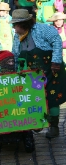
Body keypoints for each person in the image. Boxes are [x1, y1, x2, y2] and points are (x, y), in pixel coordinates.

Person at [11, 9, 66, 138]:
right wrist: (14, 71)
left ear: (23, 23)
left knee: (52, 99)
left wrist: (56, 62)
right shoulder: (17, 36)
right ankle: (37, 122)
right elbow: (15, 54)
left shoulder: (42, 29)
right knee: (34, 98)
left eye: (15, 25)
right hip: (33, 74)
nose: (14, 28)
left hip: (52, 70)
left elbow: (56, 41)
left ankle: (54, 126)